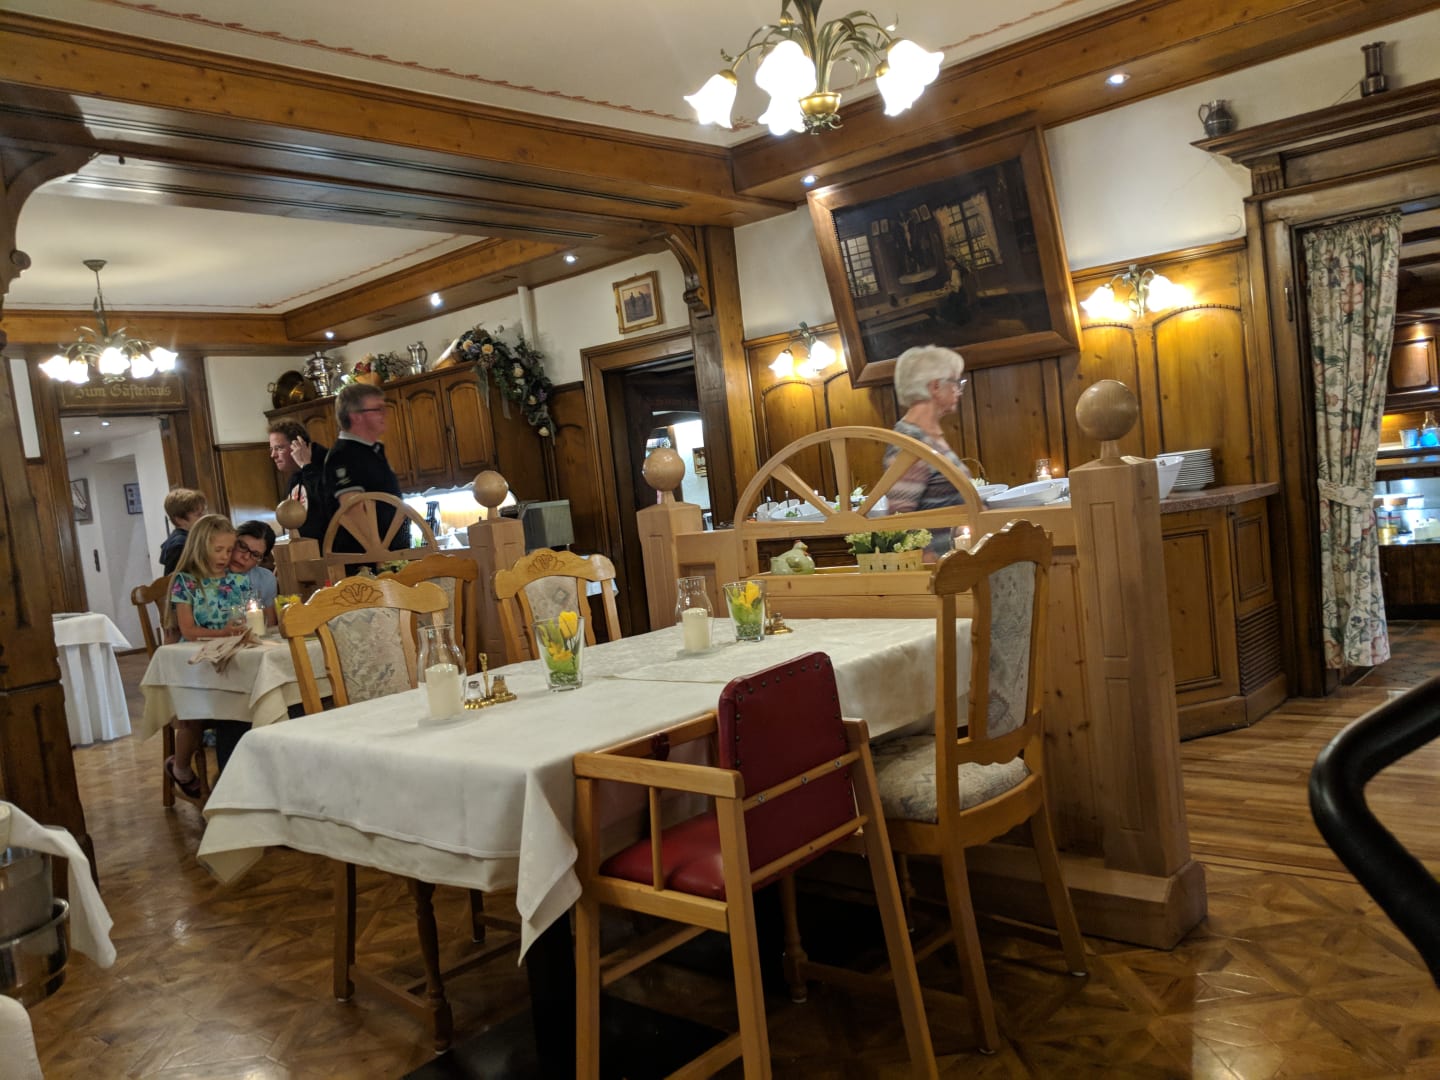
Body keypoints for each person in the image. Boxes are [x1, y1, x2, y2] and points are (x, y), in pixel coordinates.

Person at [163, 514, 252, 802]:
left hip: (230, 658)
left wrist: (243, 629)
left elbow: (246, 618)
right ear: (201, 547)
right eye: (219, 550)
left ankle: (242, 773)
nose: (225, 556)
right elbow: (188, 630)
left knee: (247, 699)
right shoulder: (186, 583)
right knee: (193, 715)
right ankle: (180, 767)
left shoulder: (238, 581)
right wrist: (224, 632)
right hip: (195, 664)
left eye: (229, 550)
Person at [882, 345, 972, 558]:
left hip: (960, 556)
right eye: (955, 382)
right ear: (935, 386)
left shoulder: (929, 436)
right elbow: (900, 517)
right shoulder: (909, 442)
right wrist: (932, 565)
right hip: (945, 564)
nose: (958, 390)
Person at [322, 382, 410, 556]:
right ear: (356, 417)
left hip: (390, 555)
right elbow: (353, 510)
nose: (384, 414)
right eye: (378, 409)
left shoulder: (372, 450)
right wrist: (381, 556)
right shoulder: (343, 455)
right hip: (368, 562)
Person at [267, 419, 330, 541]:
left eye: (279, 448)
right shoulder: (295, 477)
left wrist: (306, 466)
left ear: (299, 445)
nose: (273, 455)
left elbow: (327, 504)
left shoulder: (327, 466)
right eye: (271, 449)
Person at [229, 520, 278, 620]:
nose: (245, 557)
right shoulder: (207, 572)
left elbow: (270, 624)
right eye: (242, 546)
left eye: (255, 555)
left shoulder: (265, 579)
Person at [158, 487, 208, 575]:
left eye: (204, 512)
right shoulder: (180, 545)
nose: (205, 517)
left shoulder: (189, 538)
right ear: (180, 520)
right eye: (199, 514)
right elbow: (174, 579)